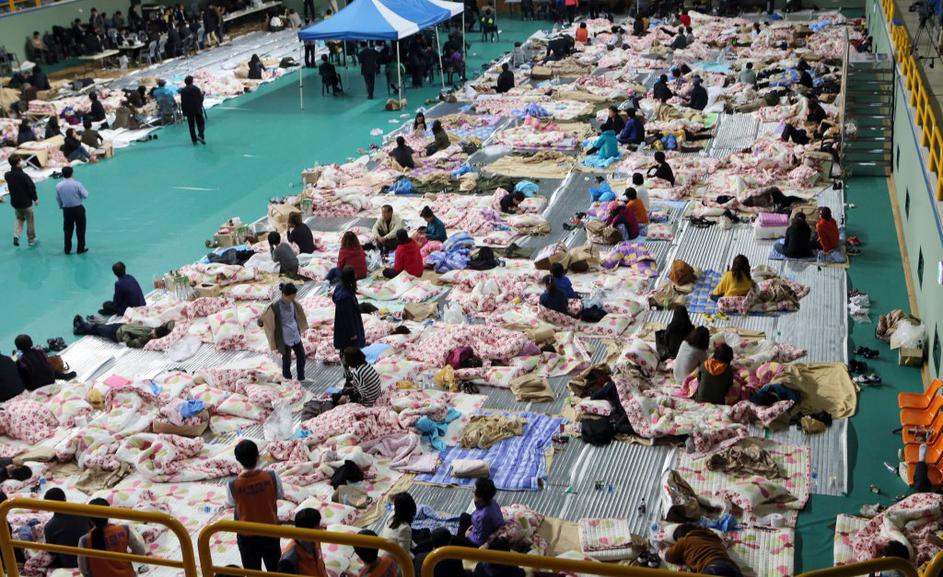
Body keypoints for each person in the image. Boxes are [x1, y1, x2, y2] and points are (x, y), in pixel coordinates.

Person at [227, 440, 284, 572]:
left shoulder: (232, 484)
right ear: (258, 456)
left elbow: (231, 503)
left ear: (238, 460)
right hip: (270, 530)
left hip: (246, 535)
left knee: (252, 570)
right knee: (275, 568)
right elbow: (280, 495)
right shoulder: (272, 476)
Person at [77, 498, 147, 577]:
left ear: (90, 518)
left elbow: (83, 570)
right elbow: (141, 552)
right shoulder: (124, 530)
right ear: (109, 513)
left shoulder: (85, 541)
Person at [259, 283, 308, 380]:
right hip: (284, 336)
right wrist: (261, 322)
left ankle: (301, 377)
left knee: (301, 355)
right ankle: (287, 379)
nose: (293, 299)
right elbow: (265, 316)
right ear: (284, 295)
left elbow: (298, 313)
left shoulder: (293, 303)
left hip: (294, 333)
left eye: (294, 296)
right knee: (287, 359)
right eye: (291, 297)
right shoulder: (276, 306)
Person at [665, 524, 742, 577]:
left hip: (713, 567)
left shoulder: (685, 540)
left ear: (680, 537)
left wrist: (667, 548)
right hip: (731, 566)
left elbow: (668, 556)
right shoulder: (713, 538)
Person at [43, 488, 93, 569]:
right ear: (65, 498)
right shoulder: (83, 512)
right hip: (89, 559)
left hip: (68, 564)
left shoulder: (50, 526)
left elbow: (52, 552)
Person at [277, 509, 327, 577]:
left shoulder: (315, 541)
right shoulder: (289, 559)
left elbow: (320, 565)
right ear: (309, 531)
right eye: (317, 526)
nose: (320, 529)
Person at [455, 478, 504, 547]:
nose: (472, 493)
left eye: (474, 491)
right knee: (464, 516)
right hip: (484, 528)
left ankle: (459, 545)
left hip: (477, 543)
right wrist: (473, 526)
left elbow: (480, 541)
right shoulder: (492, 502)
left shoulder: (483, 516)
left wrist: (469, 534)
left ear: (480, 497)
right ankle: (460, 538)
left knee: (454, 540)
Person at [73, 316, 175, 348]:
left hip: (117, 333)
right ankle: (81, 330)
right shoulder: (153, 329)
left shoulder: (146, 338)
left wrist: (125, 334)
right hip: (121, 327)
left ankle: (80, 326)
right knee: (99, 331)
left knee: (98, 328)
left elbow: (131, 343)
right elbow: (170, 323)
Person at [6, 156, 38, 248]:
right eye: (20, 162)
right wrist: (35, 198)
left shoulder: (7, 175)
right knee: (30, 220)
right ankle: (31, 240)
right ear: (17, 164)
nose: (21, 163)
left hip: (15, 203)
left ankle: (16, 235)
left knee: (19, 218)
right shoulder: (24, 176)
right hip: (26, 203)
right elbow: (31, 187)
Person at [55, 166, 89, 255]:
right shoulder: (77, 184)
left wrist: (61, 206)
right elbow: (85, 195)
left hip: (67, 210)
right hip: (78, 209)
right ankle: (80, 248)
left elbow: (58, 198)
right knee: (80, 229)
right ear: (72, 173)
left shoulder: (58, 186)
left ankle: (67, 249)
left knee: (67, 230)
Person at [333, 267, 366, 352]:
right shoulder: (346, 297)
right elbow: (348, 318)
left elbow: (333, 299)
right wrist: (353, 334)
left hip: (341, 325)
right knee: (351, 348)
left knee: (344, 346)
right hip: (350, 328)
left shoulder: (339, 287)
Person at [380, 493, 416, 559]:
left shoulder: (392, 515)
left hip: (383, 552)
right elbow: (404, 554)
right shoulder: (405, 528)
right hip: (392, 560)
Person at [179, 75, 206, 145]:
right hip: (197, 109)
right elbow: (200, 99)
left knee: (191, 125)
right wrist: (202, 95)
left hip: (188, 110)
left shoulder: (183, 91)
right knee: (201, 123)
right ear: (192, 81)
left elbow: (183, 101)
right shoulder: (196, 89)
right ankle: (200, 135)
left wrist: (183, 111)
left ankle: (194, 140)